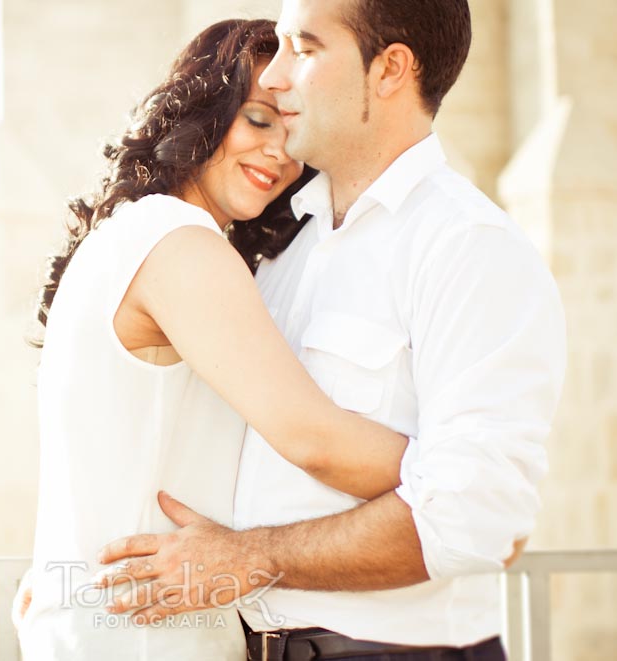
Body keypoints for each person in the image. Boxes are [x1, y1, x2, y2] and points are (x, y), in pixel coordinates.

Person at [97, 1, 567, 660]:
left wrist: (249, 558)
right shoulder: (280, 252)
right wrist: (67, 587)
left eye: (305, 48)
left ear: (390, 70)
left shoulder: (470, 248)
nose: (277, 76)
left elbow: (475, 517)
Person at [19, 17, 418, 661]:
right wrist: (461, 476)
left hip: (101, 625)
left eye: (295, 135)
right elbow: (311, 437)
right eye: (259, 120)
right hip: (149, 635)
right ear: (206, 109)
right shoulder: (180, 243)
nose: (279, 155)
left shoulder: (125, 236)